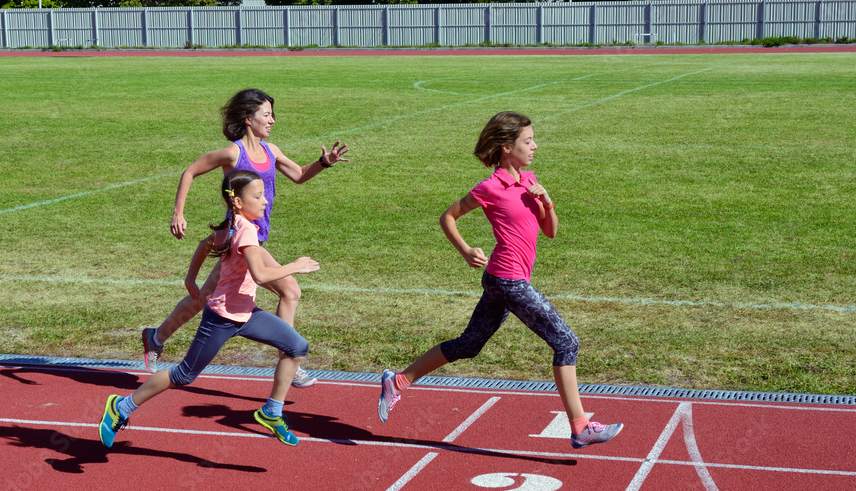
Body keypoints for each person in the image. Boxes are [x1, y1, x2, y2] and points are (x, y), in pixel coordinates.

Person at [377, 111, 623, 449]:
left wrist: (546, 202)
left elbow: (549, 232)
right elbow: (448, 216)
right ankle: (581, 427)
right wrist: (465, 250)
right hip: (508, 281)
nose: (535, 146)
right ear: (507, 147)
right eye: (528, 141)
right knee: (567, 342)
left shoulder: (528, 180)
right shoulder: (490, 187)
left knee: (469, 344)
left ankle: (399, 381)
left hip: (500, 280)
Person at [141, 88, 349, 388]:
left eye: (272, 114)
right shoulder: (232, 153)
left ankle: (156, 337)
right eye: (267, 114)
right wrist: (178, 213)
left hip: (251, 239)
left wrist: (324, 162)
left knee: (204, 299)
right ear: (249, 118)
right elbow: (190, 172)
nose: (273, 120)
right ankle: (289, 361)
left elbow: (300, 175)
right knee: (290, 291)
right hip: (239, 238)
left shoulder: (271, 151)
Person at [101, 169, 320, 448]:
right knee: (183, 375)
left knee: (296, 346)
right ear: (238, 203)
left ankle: (271, 412)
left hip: (247, 315)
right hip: (219, 320)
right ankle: (121, 408)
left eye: (264, 195)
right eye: (258, 196)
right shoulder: (246, 235)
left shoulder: (230, 227)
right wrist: (296, 266)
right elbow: (262, 275)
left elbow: (205, 245)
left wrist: (190, 277)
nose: (265, 201)